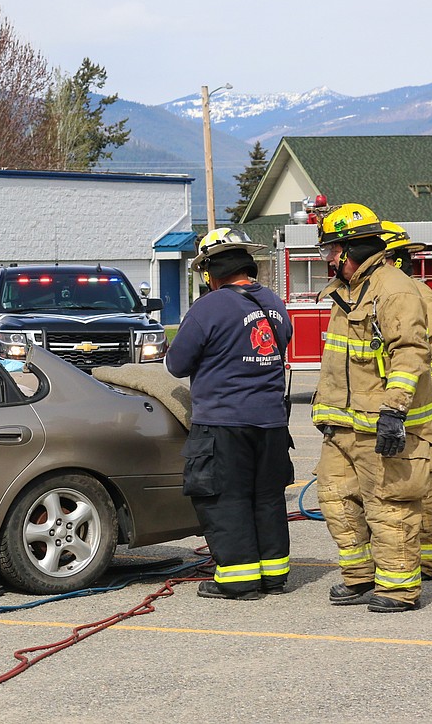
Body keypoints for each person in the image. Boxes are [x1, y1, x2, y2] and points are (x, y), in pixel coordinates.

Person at [312, 203, 432, 613]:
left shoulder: (394, 289)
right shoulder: (346, 293)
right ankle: (360, 577)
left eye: (332, 250)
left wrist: (394, 411)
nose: (328, 258)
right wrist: (325, 410)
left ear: (353, 250)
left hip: (383, 423)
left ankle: (399, 589)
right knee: (335, 498)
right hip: (342, 424)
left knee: (390, 506)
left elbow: (410, 354)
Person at [165, 227, 294, 601]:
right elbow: (281, 345)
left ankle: (238, 580)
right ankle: (273, 575)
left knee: (226, 498)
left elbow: (176, 364)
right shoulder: (274, 302)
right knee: (266, 497)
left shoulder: (210, 306)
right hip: (271, 422)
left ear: (210, 272)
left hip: (224, 422)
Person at [381, 222, 432, 581]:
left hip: (419, 410)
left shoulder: (419, 294)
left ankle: (429, 562)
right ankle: (421, 560)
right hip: (392, 407)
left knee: (420, 488)